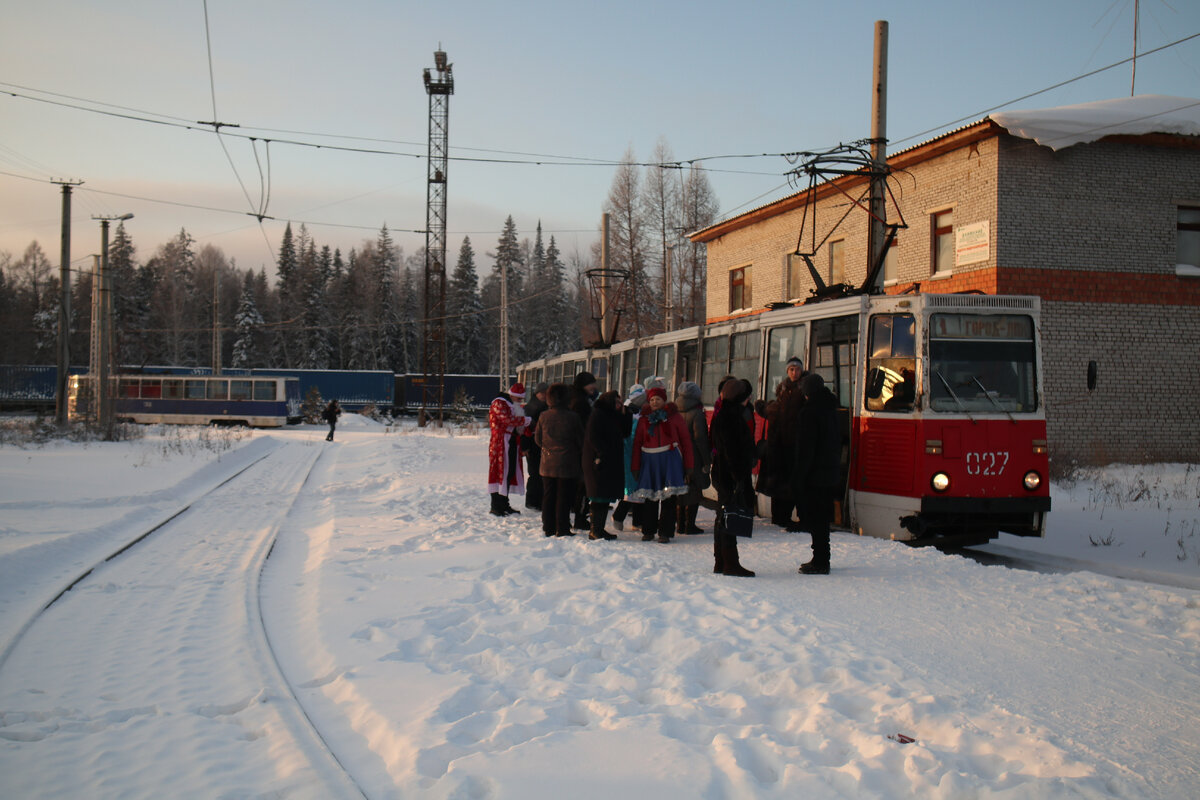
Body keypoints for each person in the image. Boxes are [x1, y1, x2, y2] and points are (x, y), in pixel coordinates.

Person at [792, 373, 841, 574]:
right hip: (829, 471)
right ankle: (821, 556)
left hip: (814, 475)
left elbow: (806, 450)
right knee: (822, 518)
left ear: (807, 392)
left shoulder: (809, 413)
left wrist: (798, 477)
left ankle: (821, 560)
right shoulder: (831, 409)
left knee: (816, 518)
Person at [630, 386, 693, 543]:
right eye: (651, 399)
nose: (654, 402)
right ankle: (648, 530)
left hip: (670, 461)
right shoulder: (644, 419)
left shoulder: (675, 417)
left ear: (664, 400)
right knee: (650, 499)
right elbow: (637, 443)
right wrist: (636, 466)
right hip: (650, 461)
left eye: (657, 399)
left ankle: (665, 532)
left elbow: (685, 441)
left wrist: (689, 465)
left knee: (668, 498)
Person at [709, 378, 756, 577]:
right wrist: (739, 477)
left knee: (723, 515)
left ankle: (720, 561)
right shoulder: (733, 418)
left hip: (721, 472)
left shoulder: (721, 415)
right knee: (729, 515)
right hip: (730, 474)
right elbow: (733, 451)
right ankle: (731, 563)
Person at [761, 357, 807, 529]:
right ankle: (779, 516)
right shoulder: (783, 388)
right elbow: (779, 411)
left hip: (794, 443)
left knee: (791, 483)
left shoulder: (803, 388)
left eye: (797, 369)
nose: (795, 373)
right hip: (780, 444)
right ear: (787, 371)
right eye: (791, 369)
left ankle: (787, 515)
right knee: (780, 483)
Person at [534, 383, 584, 537]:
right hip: (567, 463)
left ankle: (547, 526)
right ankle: (562, 528)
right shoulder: (573, 417)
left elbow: (538, 439)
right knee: (564, 496)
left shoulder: (543, 416)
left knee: (548, 495)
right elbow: (580, 440)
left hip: (547, 463)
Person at [582, 390, 626, 540]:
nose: (620, 405)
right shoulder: (599, 414)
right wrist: (602, 453)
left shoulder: (611, 414)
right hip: (598, 462)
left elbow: (625, 432)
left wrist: (625, 414)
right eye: (618, 402)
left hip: (606, 461)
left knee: (603, 495)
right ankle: (596, 530)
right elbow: (593, 436)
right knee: (598, 495)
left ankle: (598, 529)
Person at [488, 382, 530, 516]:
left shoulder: (509, 404)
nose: (520, 402)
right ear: (512, 395)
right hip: (500, 444)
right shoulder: (499, 403)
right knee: (499, 472)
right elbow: (507, 420)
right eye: (519, 399)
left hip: (510, 442)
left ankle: (504, 504)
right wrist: (525, 420)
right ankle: (496, 506)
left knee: (508, 472)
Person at [674, 381, 710, 535]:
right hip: (694, 455)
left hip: (678, 455)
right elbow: (700, 437)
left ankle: (680, 524)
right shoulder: (697, 413)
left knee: (681, 488)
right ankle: (690, 525)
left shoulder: (674, 411)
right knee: (694, 489)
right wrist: (707, 459)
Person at [611, 384, 646, 532]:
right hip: (630, 455)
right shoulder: (632, 414)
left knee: (639, 490)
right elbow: (630, 437)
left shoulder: (633, 412)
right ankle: (619, 517)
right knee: (632, 490)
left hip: (636, 454)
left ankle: (637, 521)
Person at [569, 371, 600, 530]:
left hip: (574, 449)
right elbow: (583, 427)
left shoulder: (575, 398)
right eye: (590, 384)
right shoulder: (581, 402)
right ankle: (580, 518)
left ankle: (577, 516)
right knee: (583, 484)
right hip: (581, 448)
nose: (593, 387)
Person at [522, 382, 550, 510]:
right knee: (534, 473)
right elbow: (524, 429)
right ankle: (532, 501)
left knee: (540, 473)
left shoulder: (542, 406)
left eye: (546, 392)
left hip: (540, 444)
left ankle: (537, 500)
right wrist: (525, 447)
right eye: (542, 392)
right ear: (537, 393)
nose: (544, 395)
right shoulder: (531, 408)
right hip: (532, 444)